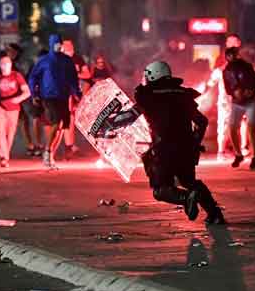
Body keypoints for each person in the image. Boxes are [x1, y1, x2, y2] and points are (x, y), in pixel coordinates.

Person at [95, 61, 225, 224]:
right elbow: (202, 121)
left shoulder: (148, 95)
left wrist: (109, 123)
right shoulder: (182, 94)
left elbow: (129, 116)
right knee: (189, 182)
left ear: (153, 76)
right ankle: (215, 214)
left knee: (161, 190)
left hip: (164, 149)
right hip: (186, 149)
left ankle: (186, 198)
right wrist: (194, 142)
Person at [28, 35, 81, 169]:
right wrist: (34, 94)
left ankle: (50, 154)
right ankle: (47, 151)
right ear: (51, 44)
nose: (58, 45)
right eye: (55, 43)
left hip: (63, 97)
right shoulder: (44, 61)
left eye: (59, 43)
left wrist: (77, 94)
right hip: (49, 97)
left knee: (62, 128)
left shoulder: (67, 61)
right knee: (56, 123)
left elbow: (73, 79)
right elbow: (33, 77)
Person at [0, 54, 31, 167]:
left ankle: (6, 154)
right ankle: (4, 157)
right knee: (0, 131)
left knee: (10, 133)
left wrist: (18, 99)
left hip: (14, 109)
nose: (5, 65)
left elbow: (27, 92)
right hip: (0, 107)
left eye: (7, 62)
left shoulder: (17, 76)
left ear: (11, 64)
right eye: (3, 63)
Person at [223, 47, 255, 170]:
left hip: (250, 101)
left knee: (251, 127)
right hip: (237, 103)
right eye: (229, 55)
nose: (231, 57)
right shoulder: (226, 71)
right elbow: (227, 88)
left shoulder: (246, 66)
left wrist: (250, 90)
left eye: (233, 55)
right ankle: (238, 154)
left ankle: (254, 157)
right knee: (232, 127)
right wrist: (234, 93)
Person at [61, 40, 90, 160]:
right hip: (65, 93)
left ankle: (71, 145)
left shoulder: (78, 59)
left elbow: (87, 74)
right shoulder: (60, 60)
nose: (68, 47)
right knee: (68, 119)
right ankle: (68, 146)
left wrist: (76, 75)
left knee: (75, 119)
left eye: (69, 45)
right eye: (65, 46)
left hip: (77, 93)